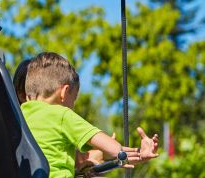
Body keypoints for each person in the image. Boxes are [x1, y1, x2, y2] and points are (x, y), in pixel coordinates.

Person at [21, 52, 159, 177]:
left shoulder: (19, 115)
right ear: (64, 92)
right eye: (73, 99)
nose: (72, 106)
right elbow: (115, 149)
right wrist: (140, 154)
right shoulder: (61, 114)